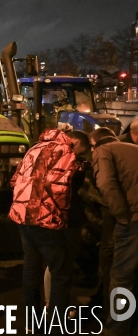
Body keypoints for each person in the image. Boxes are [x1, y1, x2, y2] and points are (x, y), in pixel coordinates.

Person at [8, 129, 90, 327]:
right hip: (46, 219)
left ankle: (31, 320)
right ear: (75, 142)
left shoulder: (34, 148)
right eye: (82, 152)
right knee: (60, 272)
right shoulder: (65, 152)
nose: (80, 156)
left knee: (31, 267)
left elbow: (14, 180)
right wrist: (61, 213)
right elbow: (60, 188)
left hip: (22, 215)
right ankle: (56, 322)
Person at [90, 127, 138, 336]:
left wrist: (121, 215)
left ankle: (118, 328)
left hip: (133, 220)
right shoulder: (131, 148)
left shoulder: (104, 151)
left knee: (122, 275)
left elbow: (106, 183)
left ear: (94, 144)